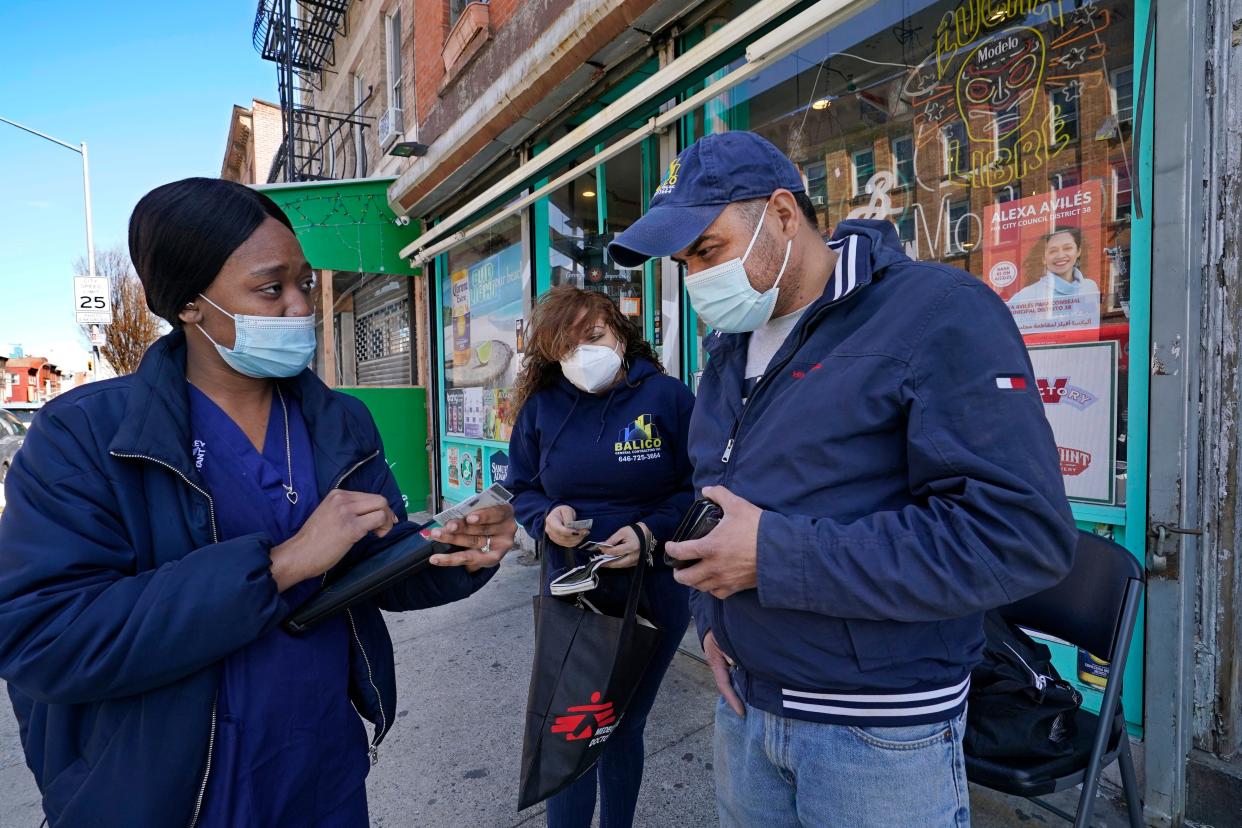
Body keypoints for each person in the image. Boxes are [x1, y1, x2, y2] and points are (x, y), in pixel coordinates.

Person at [0, 178, 517, 828]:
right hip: (168, 801)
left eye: (304, 282)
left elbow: (375, 572)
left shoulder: (339, 422)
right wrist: (280, 566)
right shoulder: (87, 436)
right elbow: (44, 639)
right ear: (189, 304)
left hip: (320, 775)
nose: (301, 306)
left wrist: (456, 547)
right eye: (272, 289)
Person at [607, 131, 1077, 827]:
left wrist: (773, 555)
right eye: (685, 263)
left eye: (709, 250)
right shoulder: (730, 346)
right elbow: (714, 497)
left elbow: (1018, 534)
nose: (699, 277)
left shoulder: (936, 312)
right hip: (746, 710)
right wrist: (712, 622)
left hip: (878, 735)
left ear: (783, 213)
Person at [504, 286, 694, 828]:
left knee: (623, 727)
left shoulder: (669, 399)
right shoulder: (543, 409)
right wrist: (547, 519)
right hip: (572, 589)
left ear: (619, 329)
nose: (584, 354)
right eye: (567, 347)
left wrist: (649, 532)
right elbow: (522, 487)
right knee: (574, 725)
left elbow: (700, 486)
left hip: (653, 589)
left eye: (594, 336)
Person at [1007, 226, 1101, 334]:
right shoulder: (1025, 296)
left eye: (1067, 248)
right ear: (1044, 259)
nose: (1060, 255)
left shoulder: (1089, 287)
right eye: (1053, 251)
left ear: (1078, 251)